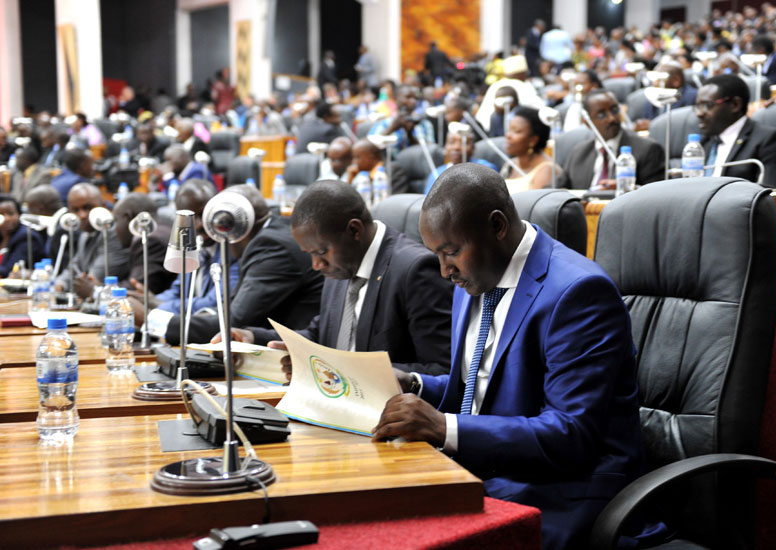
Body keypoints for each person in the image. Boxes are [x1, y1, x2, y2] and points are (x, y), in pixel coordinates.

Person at [372, 163, 648, 549]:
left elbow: (571, 436)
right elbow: (479, 389)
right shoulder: (475, 274)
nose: (443, 270)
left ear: (497, 226)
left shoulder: (577, 293)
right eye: (437, 254)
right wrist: (415, 384)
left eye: (450, 252)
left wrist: (443, 428)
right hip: (487, 468)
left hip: (561, 491)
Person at [225, 180, 452, 376]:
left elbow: (441, 370)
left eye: (321, 252)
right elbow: (322, 333)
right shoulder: (341, 264)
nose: (316, 265)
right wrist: (253, 337)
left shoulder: (415, 270)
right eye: (310, 254)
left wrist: (341, 370)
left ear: (354, 231)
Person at [152, 185, 323, 345]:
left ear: (235, 224)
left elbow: (232, 321)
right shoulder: (272, 234)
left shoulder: (272, 246)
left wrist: (150, 319)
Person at [130, 179, 239, 328]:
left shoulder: (232, 250)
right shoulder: (191, 246)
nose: (200, 224)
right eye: (191, 218)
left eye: (205, 214)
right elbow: (178, 290)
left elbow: (215, 302)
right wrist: (147, 300)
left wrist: (157, 305)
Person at [695, 74, 776, 187]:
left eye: (708, 105)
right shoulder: (703, 143)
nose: (699, 113)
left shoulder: (769, 140)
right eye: (698, 106)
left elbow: (775, 193)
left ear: (735, 105)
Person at [557, 89, 665, 190]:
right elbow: (557, 189)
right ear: (587, 122)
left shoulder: (647, 150)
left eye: (614, 110)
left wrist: (628, 188)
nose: (611, 118)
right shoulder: (578, 153)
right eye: (601, 114)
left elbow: (656, 194)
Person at [54, 184, 131, 296]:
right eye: (75, 210)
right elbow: (73, 269)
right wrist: (60, 284)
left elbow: (92, 281)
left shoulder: (113, 233)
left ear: (103, 206)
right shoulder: (84, 234)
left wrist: (78, 282)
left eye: (87, 208)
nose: (82, 215)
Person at [112, 193, 175, 294]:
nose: (114, 229)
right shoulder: (166, 227)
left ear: (128, 217)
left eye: (115, 221)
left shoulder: (149, 240)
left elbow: (137, 289)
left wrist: (97, 291)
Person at [500, 106, 560, 194]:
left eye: (516, 131)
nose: (508, 136)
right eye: (510, 130)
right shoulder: (510, 165)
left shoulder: (547, 169)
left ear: (533, 140)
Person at [368, 86, 435, 157]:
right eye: (408, 97)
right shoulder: (384, 123)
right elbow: (369, 149)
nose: (413, 101)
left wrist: (410, 135)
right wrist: (391, 128)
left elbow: (431, 152)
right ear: (396, 98)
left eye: (416, 98)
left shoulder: (424, 124)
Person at [425, 131, 497, 193]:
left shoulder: (485, 169)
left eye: (464, 143)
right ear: (445, 147)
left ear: (473, 148)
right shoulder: (436, 173)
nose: (457, 147)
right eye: (452, 142)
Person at [634, 63, 698, 131]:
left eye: (660, 80)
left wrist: (653, 125)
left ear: (676, 81)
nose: (654, 83)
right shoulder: (653, 96)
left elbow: (686, 126)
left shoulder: (692, 96)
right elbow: (645, 120)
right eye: (654, 80)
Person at [0, 194, 45, 277]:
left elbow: (9, 269)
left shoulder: (27, 236)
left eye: (11, 214)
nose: (7, 219)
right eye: (1, 215)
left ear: (19, 214)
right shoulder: (2, 235)